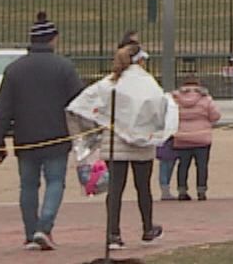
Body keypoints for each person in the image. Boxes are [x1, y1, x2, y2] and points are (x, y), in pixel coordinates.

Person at [0, 12, 84, 251]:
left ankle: (31, 232)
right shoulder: (65, 67)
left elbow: (3, 107)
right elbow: (79, 102)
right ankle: (45, 226)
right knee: (55, 182)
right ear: (53, 39)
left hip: (25, 138)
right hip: (57, 136)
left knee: (28, 186)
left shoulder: (14, 70)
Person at [70, 44, 175, 251]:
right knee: (143, 188)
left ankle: (113, 234)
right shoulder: (147, 83)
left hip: (114, 143)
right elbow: (159, 106)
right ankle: (147, 228)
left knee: (115, 190)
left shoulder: (108, 83)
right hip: (142, 144)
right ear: (141, 60)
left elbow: (84, 104)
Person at [166, 74, 219, 201]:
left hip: (182, 137)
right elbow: (215, 116)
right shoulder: (206, 99)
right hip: (202, 137)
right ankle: (201, 190)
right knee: (202, 166)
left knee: (183, 165)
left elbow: (170, 116)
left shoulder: (176, 99)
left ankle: (182, 190)